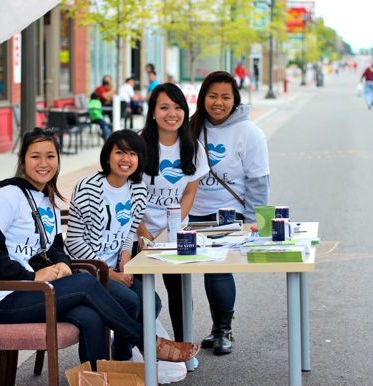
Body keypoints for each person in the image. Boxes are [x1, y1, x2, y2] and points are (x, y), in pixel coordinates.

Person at [0, 127, 199, 369]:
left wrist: (61, 263)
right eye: (35, 156)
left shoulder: (46, 199)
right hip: (2, 299)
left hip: (34, 290)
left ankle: (103, 377)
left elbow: (57, 246)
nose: (44, 163)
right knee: (87, 283)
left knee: (90, 318)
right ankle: (147, 342)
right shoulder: (7, 195)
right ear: (22, 160)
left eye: (50, 156)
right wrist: (32, 275)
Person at [189, 71, 270, 355]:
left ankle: (223, 329)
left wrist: (256, 224)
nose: (218, 102)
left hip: (229, 215)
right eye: (212, 96)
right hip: (193, 215)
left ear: (235, 99)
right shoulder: (192, 127)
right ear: (203, 98)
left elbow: (259, 181)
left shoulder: (249, 132)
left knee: (218, 271)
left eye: (225, 97)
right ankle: (200, 331)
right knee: (189, 273)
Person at [66, 129, 163, 360]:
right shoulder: (88, 188)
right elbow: (74, 240)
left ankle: (121, 351)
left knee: (153, 302)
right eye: (119, 152)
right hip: (88, 271)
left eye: (132, 153)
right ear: (107, 156)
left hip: (118, 267)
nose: (125, 159)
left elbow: (130, 230)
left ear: (139, 159)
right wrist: (107, 272)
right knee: (130, 302)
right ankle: (123, 356)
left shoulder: (138, 190)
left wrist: (126, 256)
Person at [137, 83, 209, 344]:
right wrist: (143, 233)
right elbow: (126, 195)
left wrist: (173, 226)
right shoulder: (139, 145)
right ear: (153, 112)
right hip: (139, 232)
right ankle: (140, 350)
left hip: (175, 234)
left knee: (179, 294)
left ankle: (184, 347)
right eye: (164, 107)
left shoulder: (193, 147)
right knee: (140, 295)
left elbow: (190, 192)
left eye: (178, 107)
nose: (172, 113)